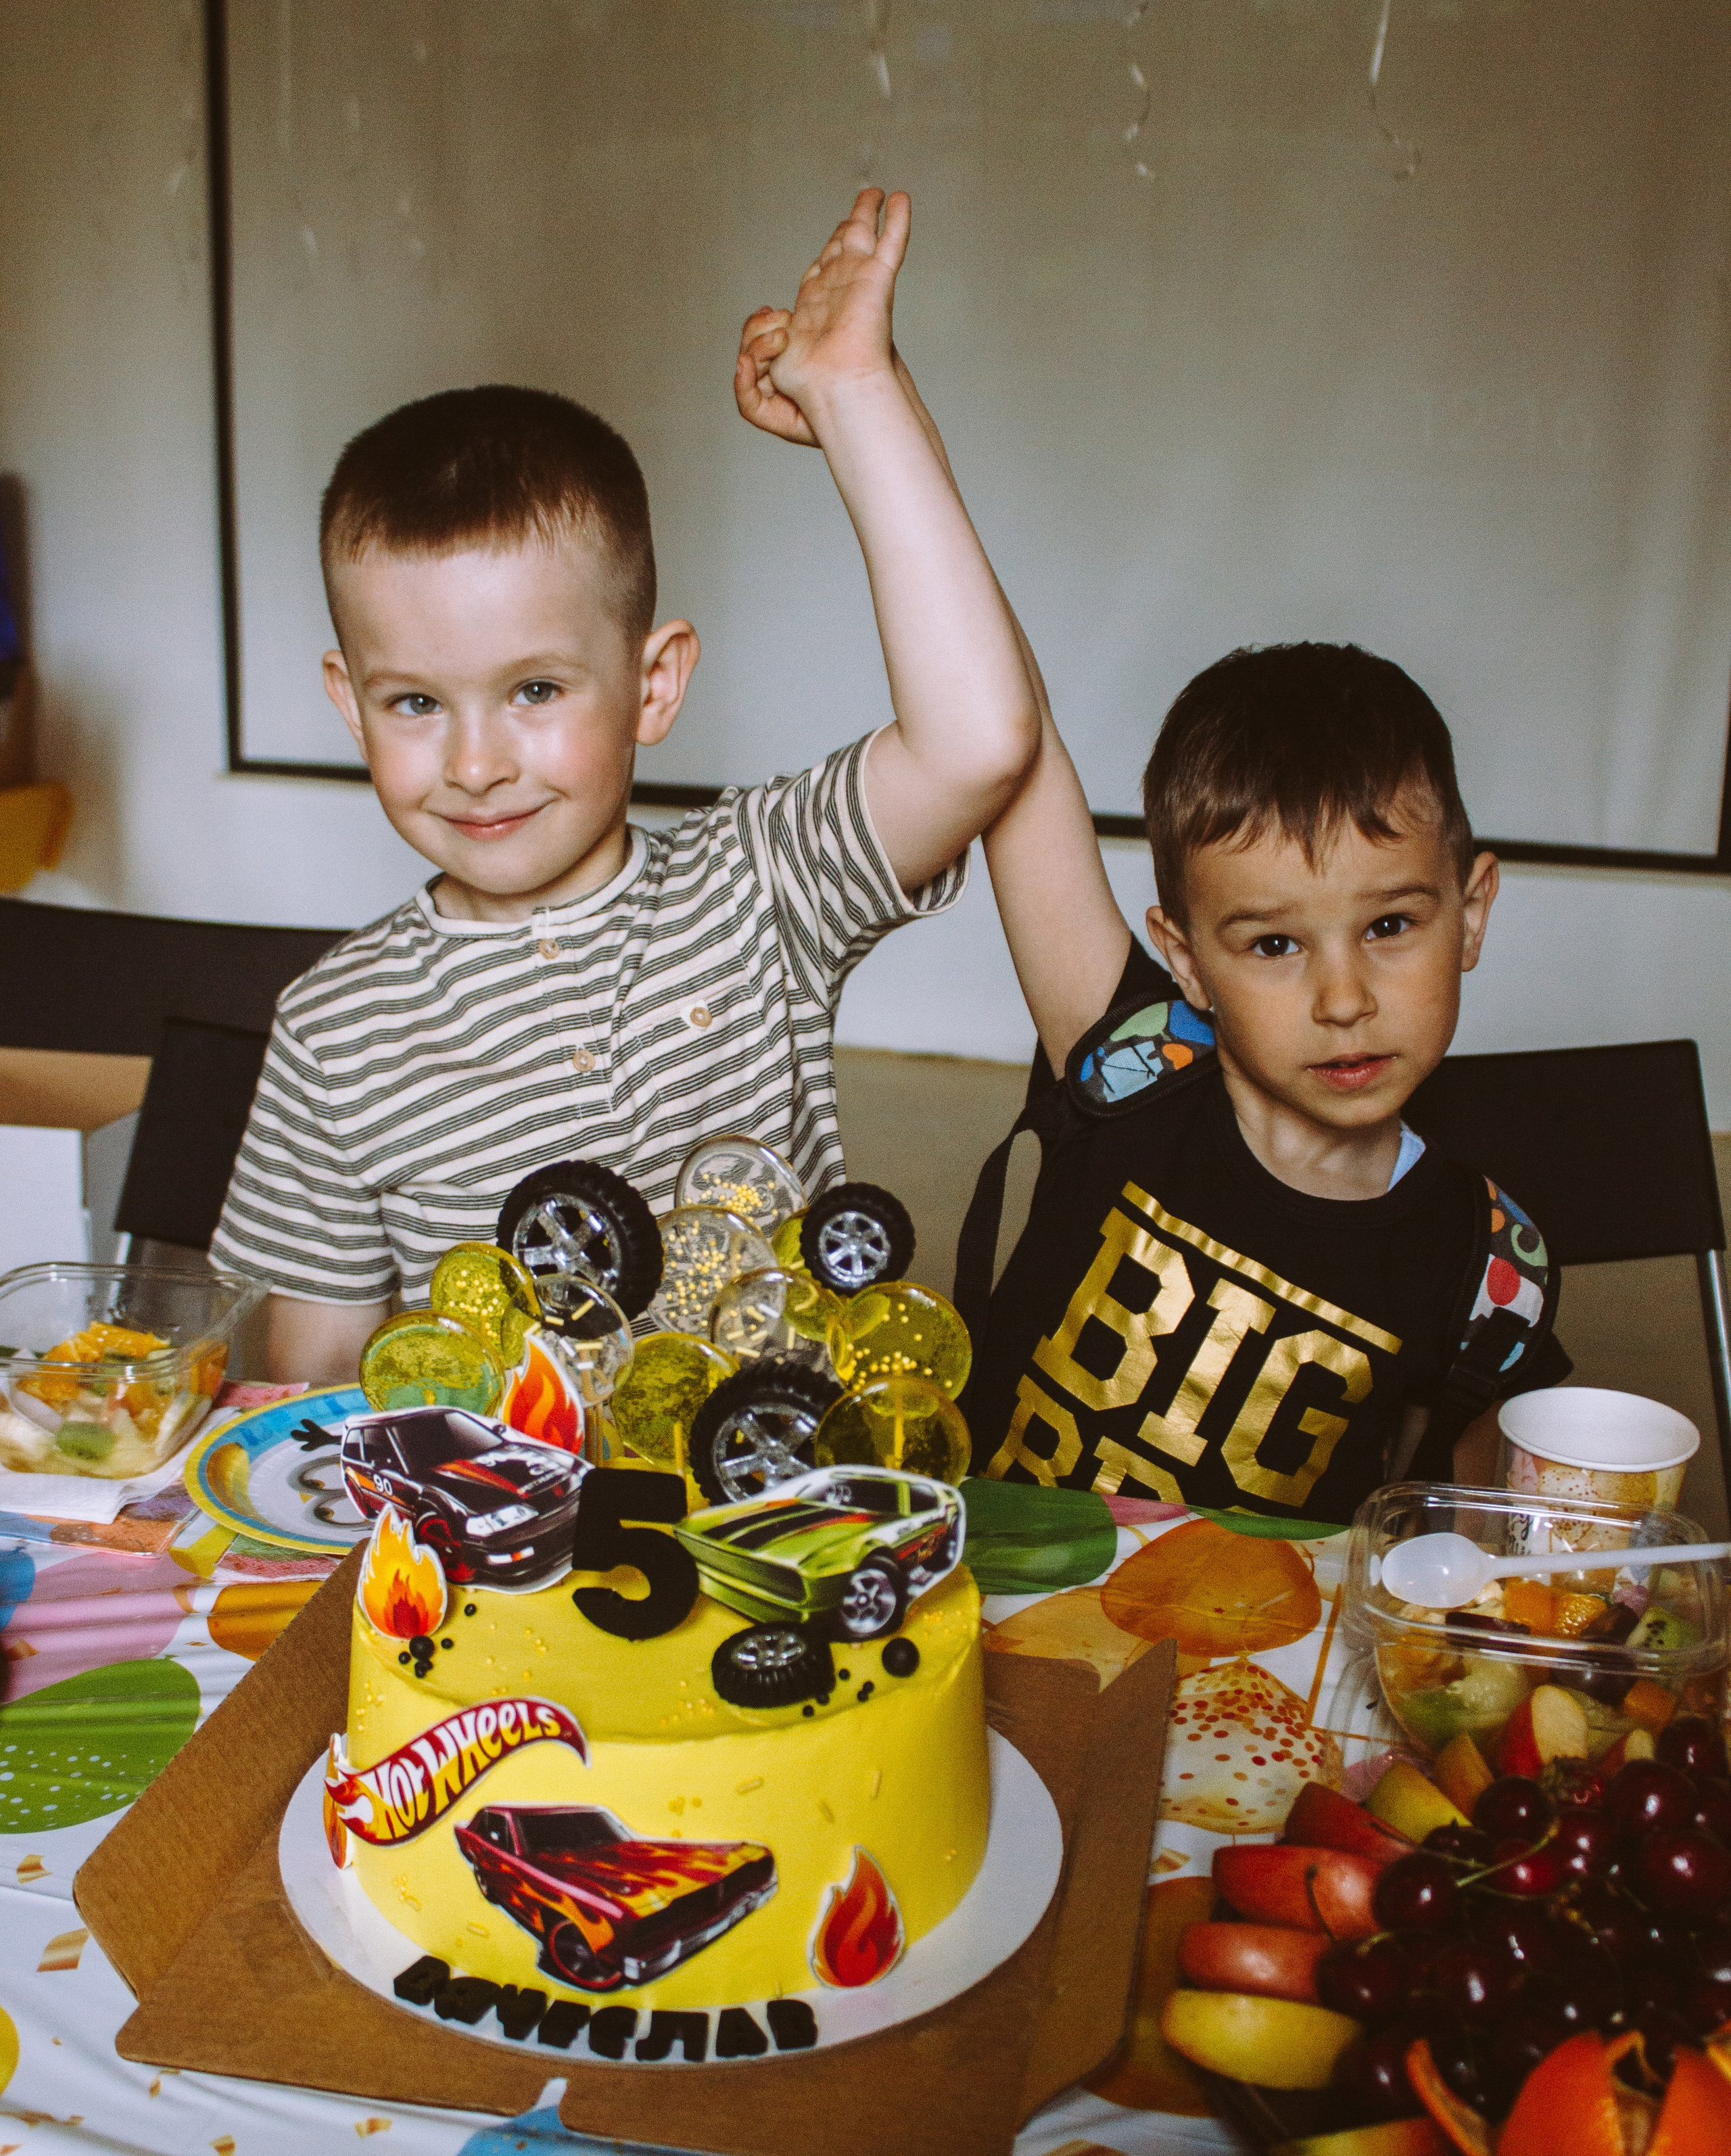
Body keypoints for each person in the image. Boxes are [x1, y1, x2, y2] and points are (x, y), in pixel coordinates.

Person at [212, 189, 1039, 1383]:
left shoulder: (761, 884)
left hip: (782, 1539)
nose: (476, 763)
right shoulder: (334, 1031)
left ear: (654, 685)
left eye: (537, 691)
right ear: (349, 702)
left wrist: (859, 399)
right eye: (415, 704)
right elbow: (313, 1386)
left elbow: (978, 739)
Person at [955, 640, 1567, 1523]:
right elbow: (994, 713)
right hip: (974, 1623)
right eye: (1274, 944)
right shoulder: (1137, 1065)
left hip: (1244, 1660)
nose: (1344, 999)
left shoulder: (1483, 1266)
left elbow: (1451, 1564)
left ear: (1469, 916)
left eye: (1390, 923)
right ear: (1189, 962)